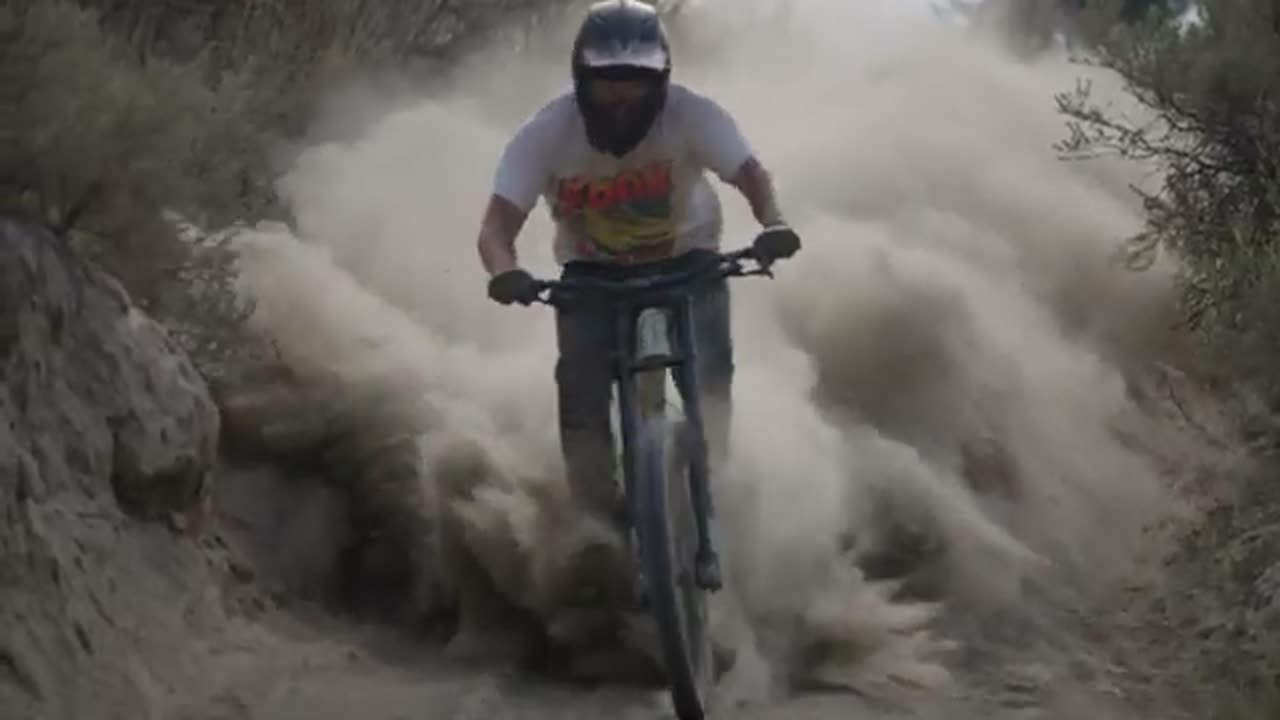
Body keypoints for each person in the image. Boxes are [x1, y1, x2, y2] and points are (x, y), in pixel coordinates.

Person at [476, 0, 800, 535]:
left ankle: (715, 492)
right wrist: (504, 271)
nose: (622, 96)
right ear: (581, 78)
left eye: (636, 80)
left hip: (691, 260)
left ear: (662, 78)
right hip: (590, 275)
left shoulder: (693, 114)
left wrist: (774, 224)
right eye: (607, 81)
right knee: (581, 401)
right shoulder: (545, 133)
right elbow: (495, 226)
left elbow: (750, 174)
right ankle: (596, 528)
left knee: (712, 382)